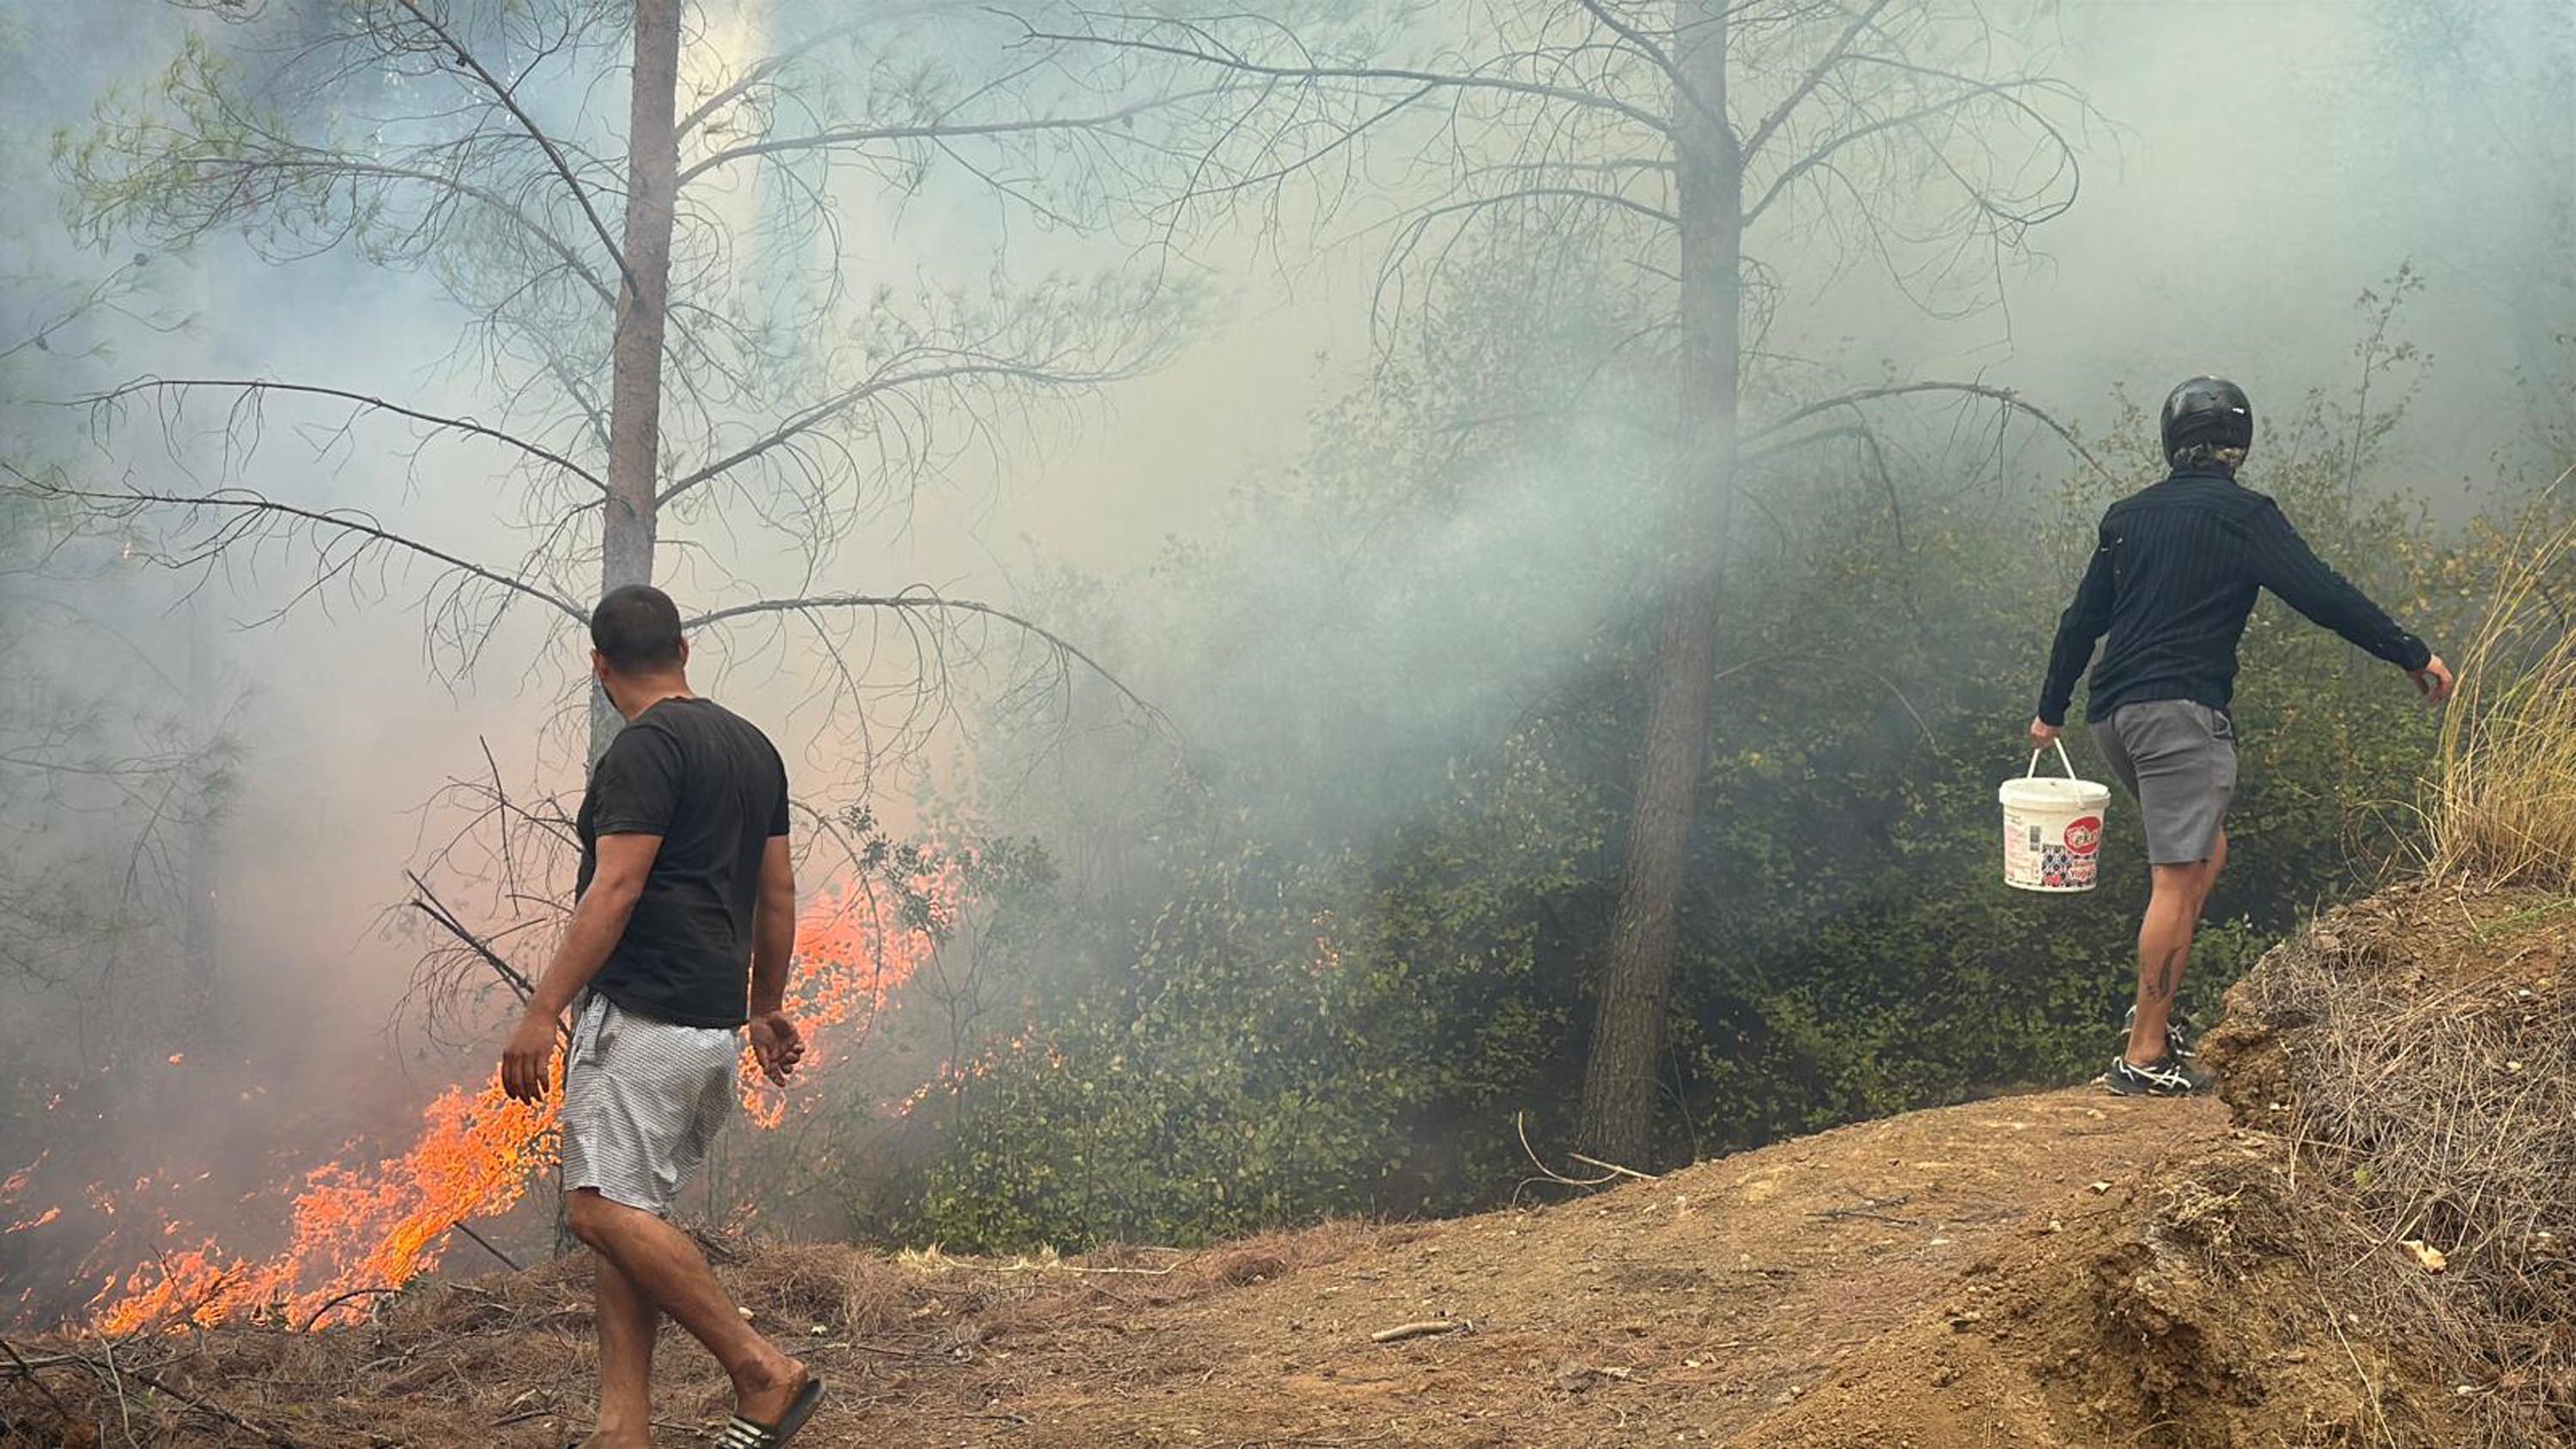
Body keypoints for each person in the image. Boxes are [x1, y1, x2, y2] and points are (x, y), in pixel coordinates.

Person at [2031, 377, 2454, 1097]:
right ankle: (2143, 1055)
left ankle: (2153, 1017)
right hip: (2179, 716)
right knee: (2177, 876)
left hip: (2115, 717)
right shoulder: (2244, 516)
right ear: (2241, 445)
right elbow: (2321, 593)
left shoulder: (2128, 517)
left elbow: (2081, 621)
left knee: (2205, 852)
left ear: (2172, 442)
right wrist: (2409, 650)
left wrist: (2051, 710)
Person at [499, 584, 824, 1448]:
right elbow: (778, 891)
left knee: (597, 1210)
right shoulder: (752, 746)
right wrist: (763, 1006)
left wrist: (541, 1009)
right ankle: (622, 1429)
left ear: (600, 666)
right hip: (709, 1026)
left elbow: (617, 887)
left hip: (642, 1018)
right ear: (684, 649)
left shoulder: (644, 750)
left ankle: (762, 1369)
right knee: (629, 1213)